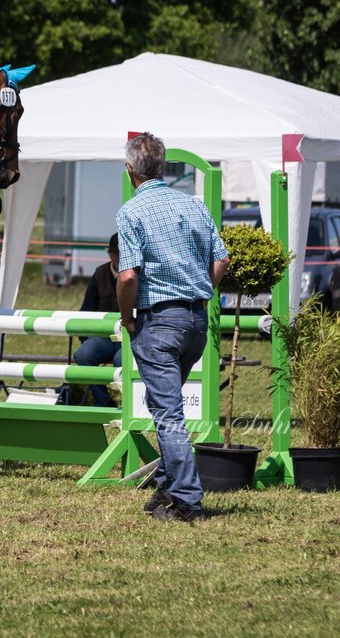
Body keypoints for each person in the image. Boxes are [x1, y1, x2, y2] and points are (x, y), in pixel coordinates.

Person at [115, 132, 230, 523]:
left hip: (157, 323)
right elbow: (222, 260)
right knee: (164, 406)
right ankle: (165, 487)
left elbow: (128, 276)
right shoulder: (194, 206)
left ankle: (186, 499)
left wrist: (127, 317)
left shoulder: (131, 212)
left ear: (130, 171)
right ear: (163, 166)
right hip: (195, 322)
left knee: (167, 414)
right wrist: (200, 292)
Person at [73, 232, 122, 407]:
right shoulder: (100, 273)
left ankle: (129, 405)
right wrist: (85, 339)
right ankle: (104, 401)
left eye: (122, 252)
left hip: (130, 337)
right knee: (84, 354)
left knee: (122, 360)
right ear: (109, 253)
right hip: (104, 337)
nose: (118, 256)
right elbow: (86, 309)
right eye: (115, 252)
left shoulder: (138, 275)